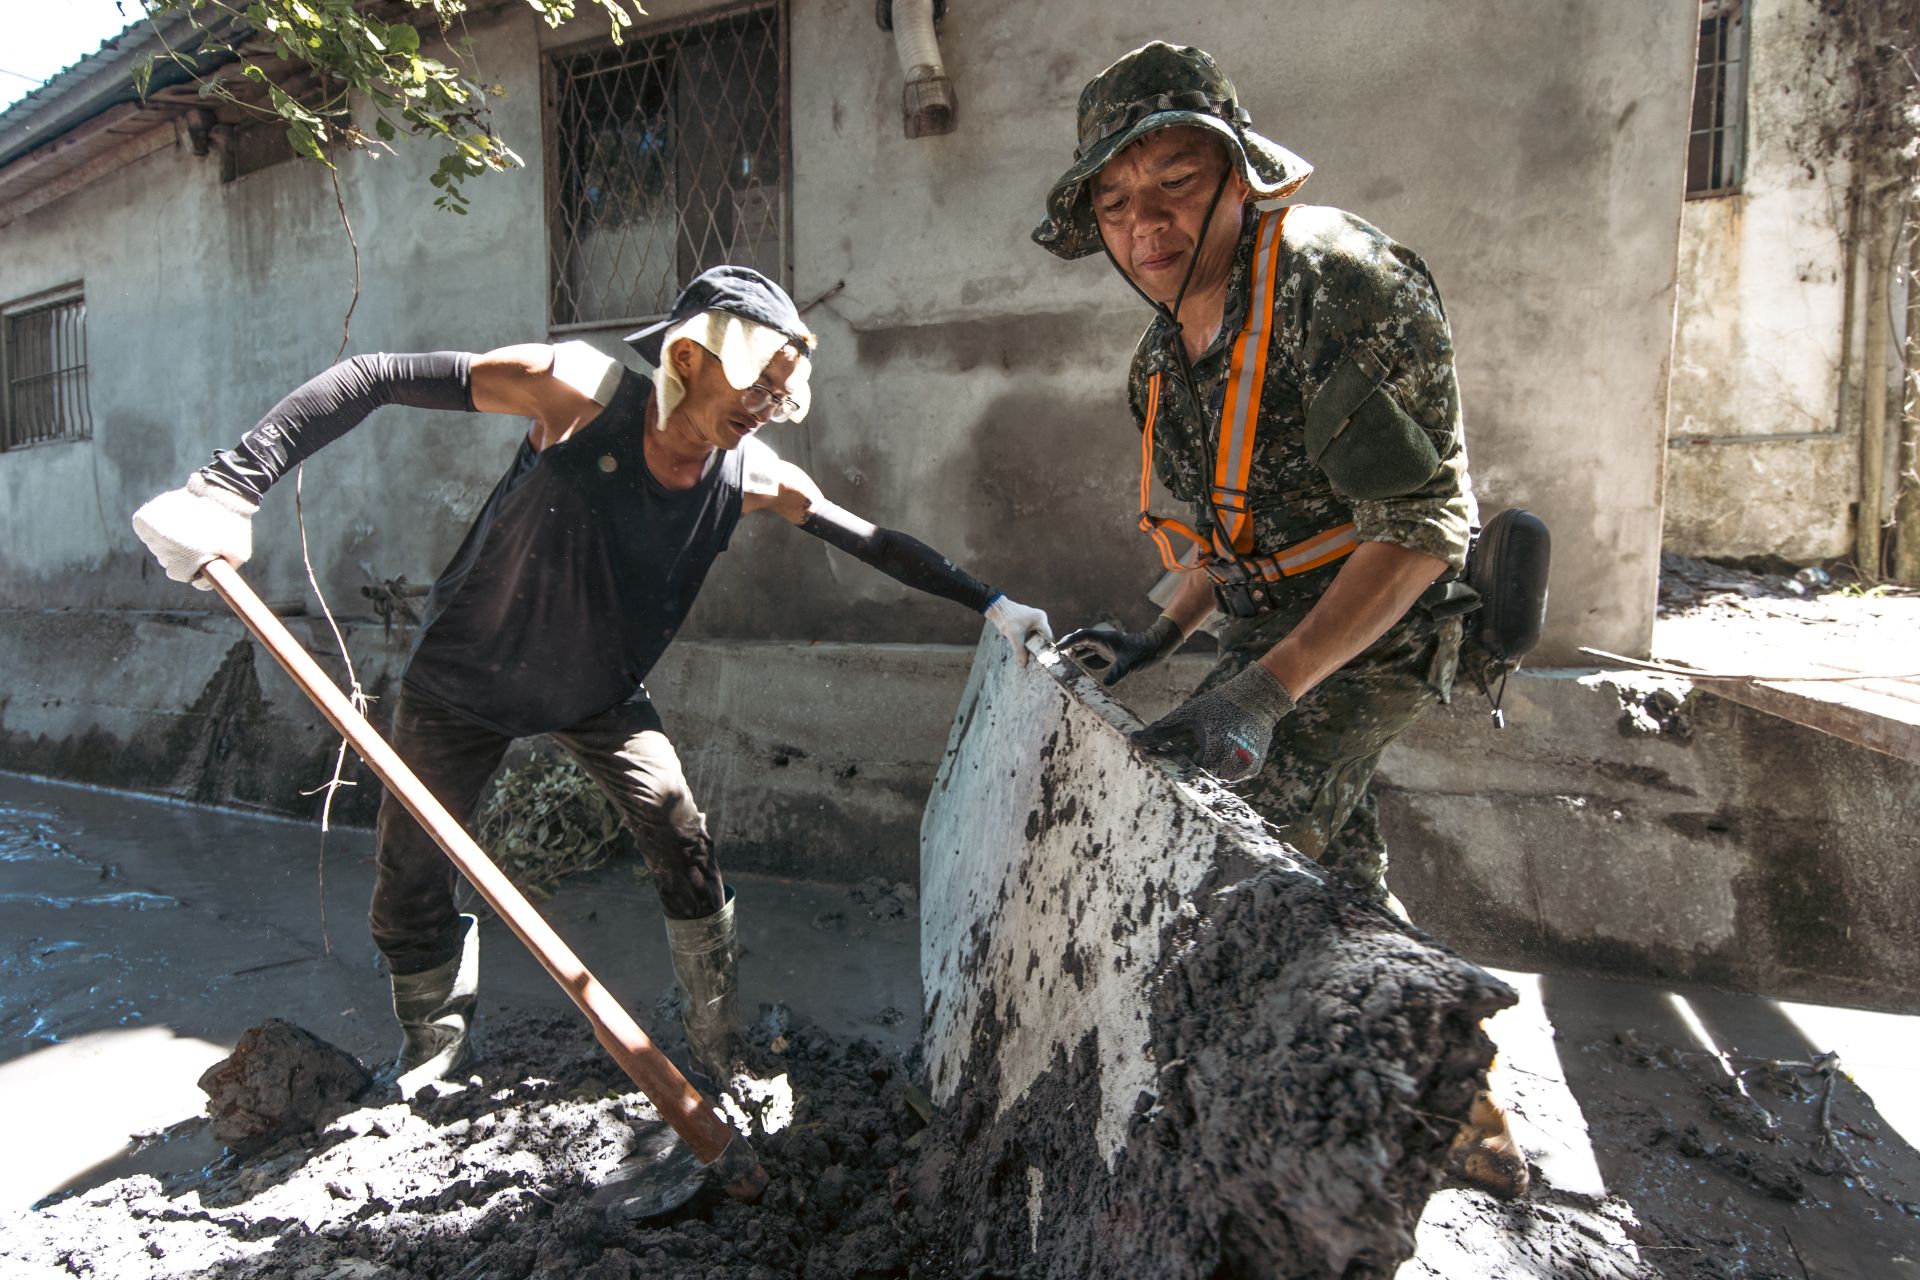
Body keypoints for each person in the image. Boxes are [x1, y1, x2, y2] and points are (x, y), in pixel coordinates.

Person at [132, 266, 1052, 1099]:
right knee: (409, 872)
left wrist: (992, 602)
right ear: (690, 356)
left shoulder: (750, 473)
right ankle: (429, 1060)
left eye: (781, 391)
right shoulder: (578, 391)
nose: (767, 406)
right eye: (754, 382)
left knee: (680, 831)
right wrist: (228, 484)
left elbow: (874, 539)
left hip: (597, 688)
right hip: (466, 675)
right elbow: (373, 377)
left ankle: (718, 1040)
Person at [1039, 42, 1526, 1199]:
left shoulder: (1336, 279)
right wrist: (1150, 630)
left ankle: (1206, 1150)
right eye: (1114, 202)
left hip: (1386, 622)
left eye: (1173, 185)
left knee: (1220, 851)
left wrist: (1264, 690)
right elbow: (1226, 542)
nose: (1144, 223)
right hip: (1271, 627)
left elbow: (1419, 528)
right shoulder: (1163, 359)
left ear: (1240, 175)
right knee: (1337, 874)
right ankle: (1464, 1104)